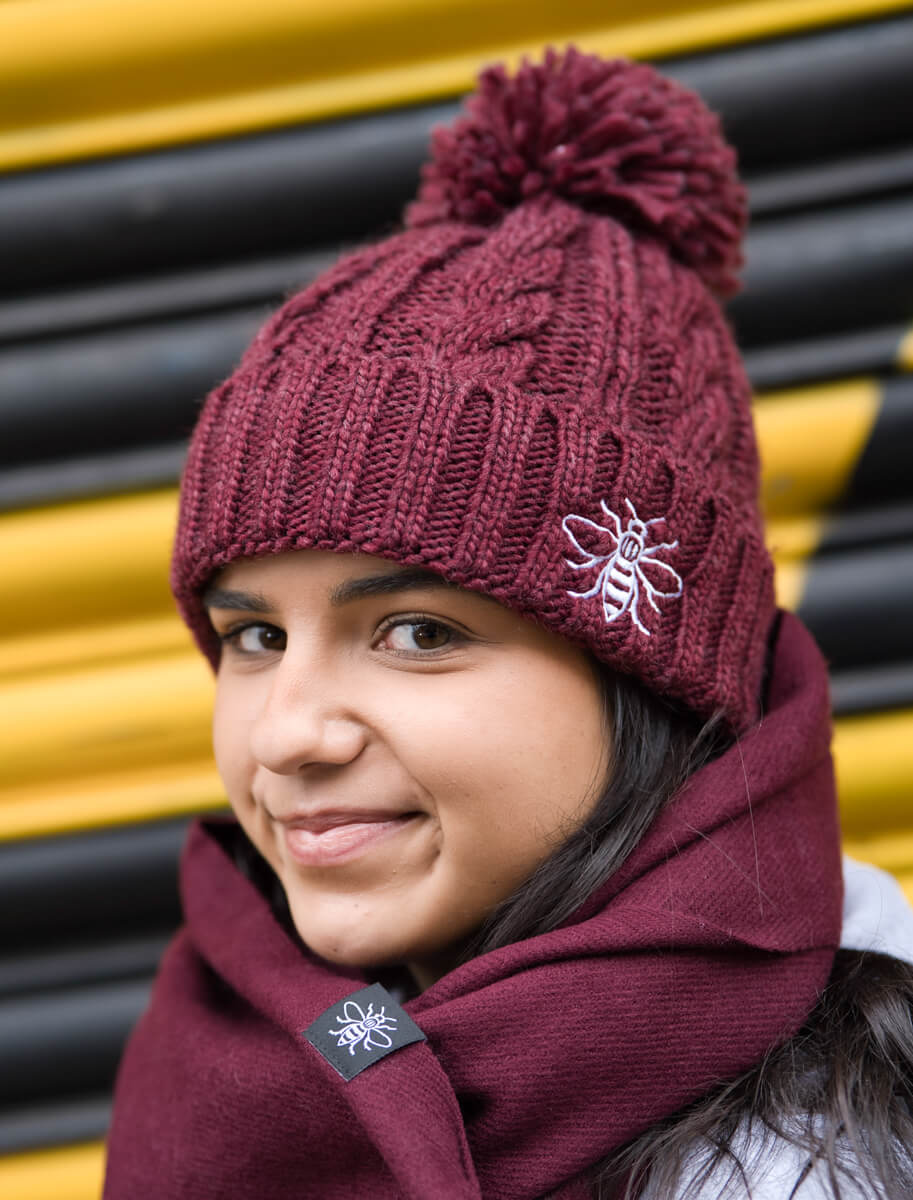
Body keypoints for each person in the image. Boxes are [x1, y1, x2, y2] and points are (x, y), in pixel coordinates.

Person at [103, 48, 913, 1199]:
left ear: (649, 672)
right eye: (254, 636)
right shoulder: (229, 1042)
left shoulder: (830, 1147)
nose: (287, 737)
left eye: (418, 633)